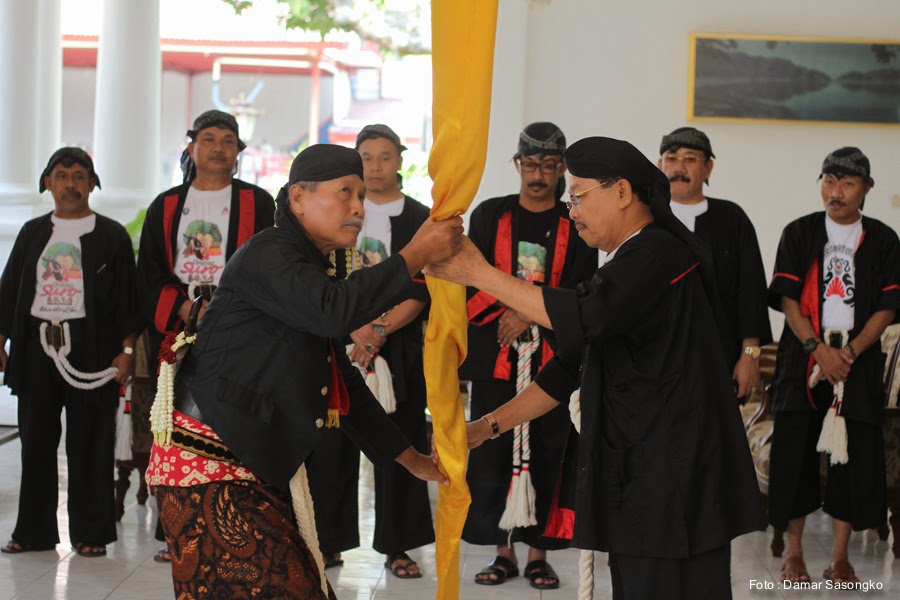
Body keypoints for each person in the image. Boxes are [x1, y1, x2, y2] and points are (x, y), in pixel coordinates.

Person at [427, 136, 764, 600]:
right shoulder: (629, 260)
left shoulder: (658, 253)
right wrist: (486, 427)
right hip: (643, 473)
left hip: (673, 478)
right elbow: (570, 366)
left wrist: (478, 273)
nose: (572, 211)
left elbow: (586, 316)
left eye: (579, 195)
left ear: (622, 192)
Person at [147, 144, 461, 598]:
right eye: (344, 193)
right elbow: (333, 313)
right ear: (297, 198)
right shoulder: (270, 253)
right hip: (207, 462)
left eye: (361, 197)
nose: (357, 207)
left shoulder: (308, 266)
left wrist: (412, 460)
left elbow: (339, 379)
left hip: (246, 461)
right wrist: (413, 255)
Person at [461, 122, 597, 589]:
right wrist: (513, 316)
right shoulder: (490, 216)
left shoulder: (576, 220)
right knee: (494, 452)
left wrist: (531, 317)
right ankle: (504, 552)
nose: (539, 174)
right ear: (517, 165)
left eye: (550, 165)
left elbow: (581, 289)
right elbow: (471, 277)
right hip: (497, 353)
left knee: (548, 451)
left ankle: (539, 553)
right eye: (531, 164)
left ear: (562, 169)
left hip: (553, 360)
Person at [136, 109, 274, 561]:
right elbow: (151, 270)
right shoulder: (167, 205)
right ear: (192, 146)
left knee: (231, 428)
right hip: (179, 329)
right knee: (175, 429)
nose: (218, 147)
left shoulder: (259, 202)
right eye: (209, 138)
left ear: (238, 152)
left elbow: (272, 267)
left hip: (241, 330)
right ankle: (176, 531)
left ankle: (236, 527)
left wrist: (228, 308)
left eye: (228, 140)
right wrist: (184, 308)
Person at [306, 124, 435, 578]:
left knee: (398, 442)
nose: (375, 167)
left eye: (384, 156)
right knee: (332, 444)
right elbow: (324, 280)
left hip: (399, 349)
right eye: (366, 157)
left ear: (400, 159)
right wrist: (356, 330)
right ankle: (330, 542)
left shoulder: (420, 217)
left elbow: (423, 285)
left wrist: (378, 331)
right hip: (341, 344)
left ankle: (398, 545)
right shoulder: (339, 211)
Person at [767, 147, 899, 585]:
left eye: (846, 184)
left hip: (856, 360)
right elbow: (787, 297)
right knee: (795, 452)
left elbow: (888, 304)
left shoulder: (882, 239)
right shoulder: (800, 232)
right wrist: (816, 348)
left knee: (852, 456)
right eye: (828, 181)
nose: (835, 192)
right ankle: (795, 552)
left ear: (866, 189)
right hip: (803, 356)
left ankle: (841, 557)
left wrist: (851, 352)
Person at [0, 148, 141, 557]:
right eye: (61, 176)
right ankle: (33, 532)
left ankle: (91, 533)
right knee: (37, 444)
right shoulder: (31, 233)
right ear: (47, 183)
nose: (70, 184)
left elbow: (128, 301)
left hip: (93, 351)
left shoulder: (112, 236)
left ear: (93, 184)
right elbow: (10, 290)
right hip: (36, 349)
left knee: (91, 444)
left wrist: (127, 350)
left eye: (79, 176)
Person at [657, 127, 771, 399]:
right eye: (671, 159)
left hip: (719, 355)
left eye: (690, 159)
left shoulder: (732, 218)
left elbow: (751, 289)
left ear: (708, 168)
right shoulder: (647, 217)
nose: (679, 167)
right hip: (656, 355)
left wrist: (750, 356)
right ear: (659, 166)